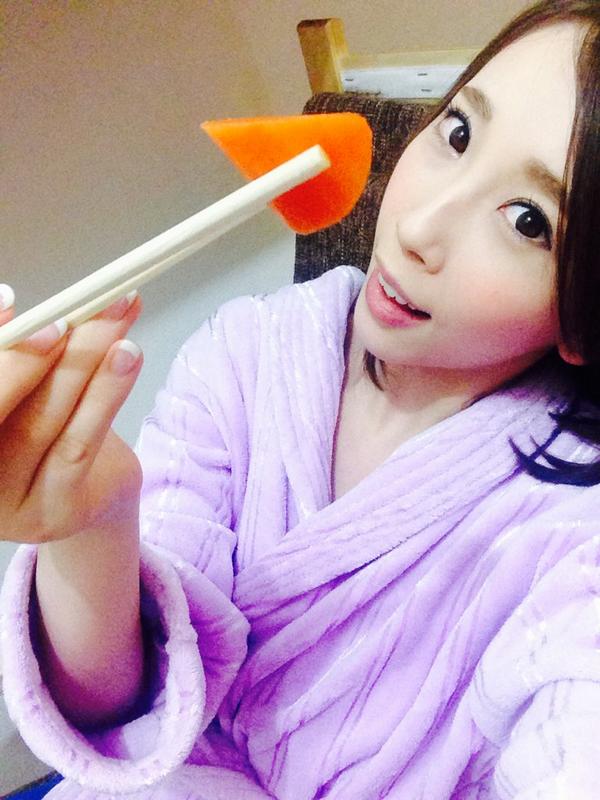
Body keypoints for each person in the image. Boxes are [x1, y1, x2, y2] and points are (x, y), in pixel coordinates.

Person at [1, 0, 600, 797]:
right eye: (457, 133)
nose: (419, 226)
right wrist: (93, 521)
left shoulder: (573, 531)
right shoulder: (246, 353)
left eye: (528, 221)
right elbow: (119, 709)